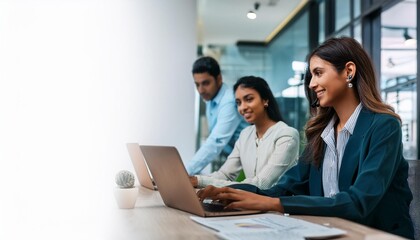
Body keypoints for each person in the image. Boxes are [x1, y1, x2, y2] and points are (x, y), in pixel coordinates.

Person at [196, 37, 414, 239]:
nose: (311, 84)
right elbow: (283, 188)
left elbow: (358, 203)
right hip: (330, 231)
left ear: (348, 71)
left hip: (374, 235)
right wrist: (228, 192)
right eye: (311, 76)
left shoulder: (384, 126)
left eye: (318, 73)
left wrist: (275, 204)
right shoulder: (321, 134)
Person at [190, 76, 299, 189]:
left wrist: (200, 181)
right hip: (251, 204)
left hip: (276, 205)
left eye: (249, 99)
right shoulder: (245, 135)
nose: (242, 108)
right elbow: (225, 175)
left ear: (265, 100)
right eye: (238, 102)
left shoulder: (287, 135)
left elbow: (261, 184)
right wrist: (191, 180)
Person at [186, 56, 248, 175]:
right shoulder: (211, 99)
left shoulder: (229, 100)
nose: (201, 90)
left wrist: (185, 172)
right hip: (235, 160)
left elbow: (216, 141)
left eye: (205, 83)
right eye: (197, 84)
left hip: (246, 163)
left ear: (219, 79)